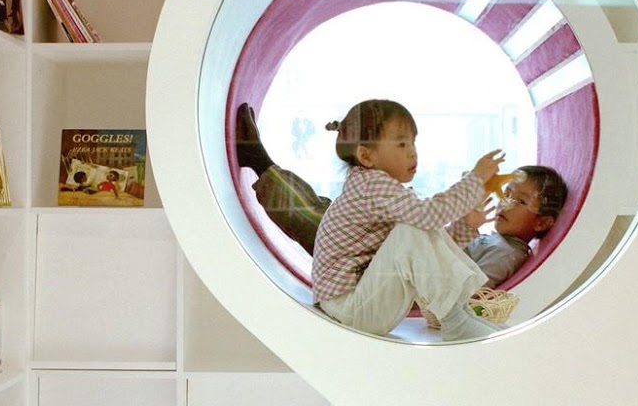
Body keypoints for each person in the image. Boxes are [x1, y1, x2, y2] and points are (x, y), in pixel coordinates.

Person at [233, 101, 566, 287]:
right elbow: (446, 247)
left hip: (381, 273)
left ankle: (260, 164)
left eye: (521, 201)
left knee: (314, 220)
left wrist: (470, 191)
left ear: (542, 223)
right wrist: (467, 220)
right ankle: (265, 166)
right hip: (391, 256)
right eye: (508, 193)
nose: (506, 202)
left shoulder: (506, 254)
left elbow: (466, 288)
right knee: (329, 208)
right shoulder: (494, 241)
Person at [307, 98, 503, 341]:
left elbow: (426, 250)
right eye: (401, 144)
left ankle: (456, 314)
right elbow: (428, 218)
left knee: (416, 224)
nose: (412, 152)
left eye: (413, 142)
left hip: (362, 303)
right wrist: (475, 180)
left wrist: (466, 225)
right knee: (416, 224)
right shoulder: (371, 185)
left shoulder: (383, 192)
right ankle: (455, 319)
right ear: (366, 156)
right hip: (349, 309)